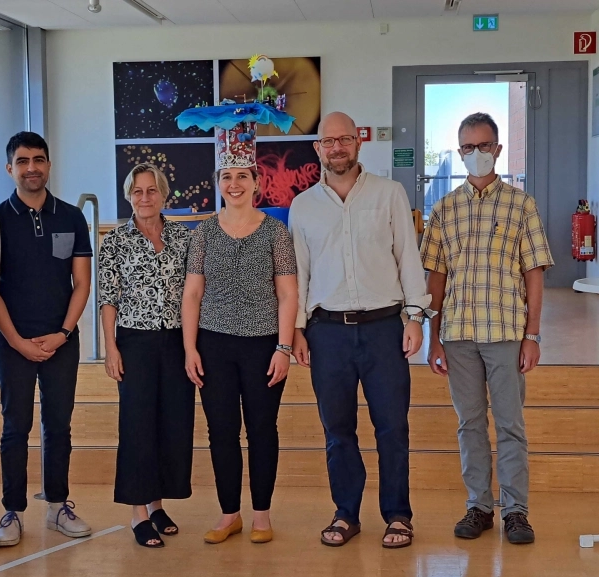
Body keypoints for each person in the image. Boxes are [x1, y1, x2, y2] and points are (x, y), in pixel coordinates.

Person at [290, 111, 430, 549]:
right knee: (337, 431)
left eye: (345, 139)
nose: (337, 147)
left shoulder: (389, 194)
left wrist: (414, 317)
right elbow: (299, 272)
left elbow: (409, 257)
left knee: (392, 427)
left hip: (384, 327)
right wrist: (296, 329)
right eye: (328, 141)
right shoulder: (303, 206)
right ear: (318, 149)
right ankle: (346, 513)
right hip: (327, 332)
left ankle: (398, 515)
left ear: (358, 143)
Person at [420, 112, 553, 545]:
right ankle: (478, 505)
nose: (475, 154)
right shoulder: (443, 209)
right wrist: (433, 336)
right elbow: (435, 278)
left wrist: (532, 336)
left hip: (506, 333)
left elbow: (534, 271)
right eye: (467, 147)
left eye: (483, 146)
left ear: (497, 149)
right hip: (458, 335)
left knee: (510, 424)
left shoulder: (521, 204)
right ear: (459, 152)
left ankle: (517, 510)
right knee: (470, 423)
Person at [182, 117, 298, 545]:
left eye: (242, 176)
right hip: (213, 345)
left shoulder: (275, 233)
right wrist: (190, 348)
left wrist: (284, 347)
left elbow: (288, 294)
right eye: (226, 176)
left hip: (264, 344)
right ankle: (229, 512)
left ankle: (262, 515)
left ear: (256, 182)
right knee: (221, 431)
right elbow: (192, 295)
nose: (234, 183)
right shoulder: (205, 233)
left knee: (263, 430)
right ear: (218, 182)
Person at [0, 132, 93, 547]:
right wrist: (15, 340)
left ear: (49, 165)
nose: (31, 167)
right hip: (11, 341)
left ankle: (57, 506)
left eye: (38, 159)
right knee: (15, 427)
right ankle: (12, 511)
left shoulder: (71, 217)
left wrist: (63, 333)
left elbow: (82, 283)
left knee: (58, 426)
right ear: (9, 167)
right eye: (22, 160)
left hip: (61, 341)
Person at [98, 163, 196, 549]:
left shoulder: (184, 238)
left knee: (171, 425)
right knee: (138, 425)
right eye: (137, 191)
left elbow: (194, 295)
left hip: (175, 343)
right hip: (134, 343)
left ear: (164, 194)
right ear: (128, 196)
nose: (144, 197)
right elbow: (108, 299)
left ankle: (157, 504)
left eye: (151, 190)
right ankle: (138, 512)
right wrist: (110, 348)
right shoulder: (115, 242)